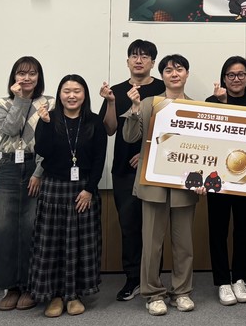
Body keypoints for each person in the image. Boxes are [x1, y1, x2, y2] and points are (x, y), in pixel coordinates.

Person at [122, 54, 205, 316]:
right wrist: (134, 109)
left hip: (185, 185)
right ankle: (153, 294)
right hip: (154, 184)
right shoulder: (149, 103)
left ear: (187, 74)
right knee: (151, 244)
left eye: (179, 69)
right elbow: (130, 137)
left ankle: (181, 291)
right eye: (168, 70)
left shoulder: (198, 107)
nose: (174, 74)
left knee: (184, 244)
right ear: (162, 76)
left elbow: (205, 150)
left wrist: (204, 179)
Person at [29, 75, 106, 317]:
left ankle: (74, 295)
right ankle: (54, 295)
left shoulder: (94, 121)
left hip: (83, 189)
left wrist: (89, 189)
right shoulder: (49, 119)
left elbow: (99, 159)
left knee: (80, 245)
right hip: (54, 187)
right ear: (60, 94)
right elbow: (42, 150)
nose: (71, 95)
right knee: (51, 245)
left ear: (85, 94)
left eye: (77, 91)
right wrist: (44, 123)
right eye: (66, 91)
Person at [98, 39, 165, 302]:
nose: (139, 60)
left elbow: (172, 129)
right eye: (134, 56)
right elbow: (109, 129)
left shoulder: (162, 89)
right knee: (129, 225)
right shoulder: (115, 91)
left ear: (153, 62)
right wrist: (111, 103)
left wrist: (147, 154)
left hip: (155, 168)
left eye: (145, 56)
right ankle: (133, 279)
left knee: (154, 227)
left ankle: (153, 280)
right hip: (123, 169)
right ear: (127, 61)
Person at [204, 56, 246, 306]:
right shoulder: (212, 102)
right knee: (218, 230)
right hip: (218, 178)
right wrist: (222, 104)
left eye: (241, 74)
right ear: (223, 78)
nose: (236, 79)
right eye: (231, 75)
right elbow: (211, 139)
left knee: (244, 229)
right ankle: (223, 281)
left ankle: (240, 278)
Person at [0, 57, 54, 311]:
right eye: (21, 73)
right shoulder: (2, 103)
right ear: (14, 77)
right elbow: (10, 129)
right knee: (4, 227)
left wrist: (39, 172)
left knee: (31, 226)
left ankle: (30, 286)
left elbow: (50, 139)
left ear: (39, 77)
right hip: (8, 167)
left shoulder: (49, 103)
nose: (27, 78)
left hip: (35, 166)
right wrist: (20, 100)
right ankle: (11, 287)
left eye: (32, 73)